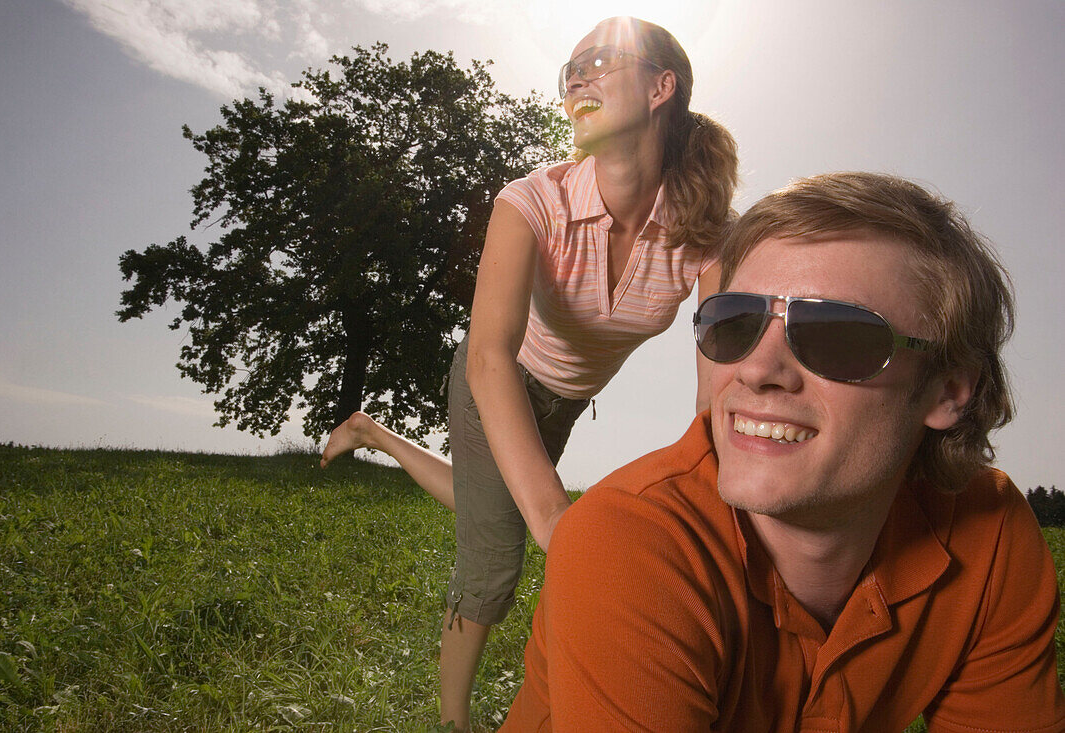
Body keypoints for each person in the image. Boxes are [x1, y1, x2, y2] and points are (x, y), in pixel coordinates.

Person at [500, 171, 1065, 731]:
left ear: (948, 391)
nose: (755, 370)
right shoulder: (626, 542)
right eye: (735, 323)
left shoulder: (988, 534)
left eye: (836, 335)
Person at [319, 16, 739, 731]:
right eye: (569, 70)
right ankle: (452, 719)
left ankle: (375, 435)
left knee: (492, 505)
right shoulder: (531, 201)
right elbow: (487, 358)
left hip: (569, 402)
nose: (576, 77)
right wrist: (558, 521)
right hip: (497, 381)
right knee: (496, 558)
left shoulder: (707, 233)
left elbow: (716, 387)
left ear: (661, 87)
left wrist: (719, 501)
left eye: (600, 62)